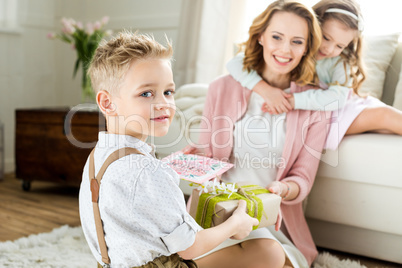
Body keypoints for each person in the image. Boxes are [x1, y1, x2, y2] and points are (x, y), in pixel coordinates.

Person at [78, 31, 259, 268]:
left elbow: (140, 205)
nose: (163, 103)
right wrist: (235, 225)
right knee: (267, 251)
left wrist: (167, 171)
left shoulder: (98, 156)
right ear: (107, 103)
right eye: (146, 93)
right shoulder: (147, 173)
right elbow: (189, 248)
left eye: (168, 92)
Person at [184, 1, 328, 267]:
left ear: (307, 47)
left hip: (271, 222)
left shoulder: (316, 104)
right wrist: (194, 158)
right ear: (260, 36)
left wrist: (284, 188)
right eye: (276, 37)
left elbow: (303, 178)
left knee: (271, 254)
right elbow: (209, 151)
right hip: (218, 215)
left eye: (297, 41)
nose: (285, 50)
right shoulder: (222, 87)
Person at [227, 0, 402, 150]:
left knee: (386, 118)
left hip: (338, 104)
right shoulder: (293, 48)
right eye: (326, 38)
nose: (329, 49)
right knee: (384, 118)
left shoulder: (340, 61)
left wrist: (293, 101)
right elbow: (234, 63)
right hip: (318, 109)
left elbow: (337, 99)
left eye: (340, 46)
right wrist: (265, 90)